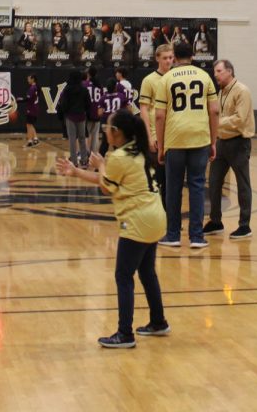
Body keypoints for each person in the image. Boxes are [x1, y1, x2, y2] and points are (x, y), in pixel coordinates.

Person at [55, 109, 168, 348]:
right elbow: (110, 180)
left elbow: (107, 187)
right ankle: (158, 321)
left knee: (123, 275)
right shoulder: (136, 150)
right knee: (147, 272)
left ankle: (125, 334)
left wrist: (102, 164)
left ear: (116, 133)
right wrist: (76, 172)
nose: (105, 130)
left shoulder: (117, 157)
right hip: (156, 216)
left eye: (108, 127)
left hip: (138, 220)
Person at [154, 41, 219, 249]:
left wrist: (162, 145)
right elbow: (215, 111)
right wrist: (213, 141)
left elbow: (159, 115)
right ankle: (197, 237)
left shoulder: (167, 79)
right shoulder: (204, 76)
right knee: (197, 186)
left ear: (174, 58)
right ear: (192, 56)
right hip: (200, 137)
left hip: (175, 138)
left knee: (173, 188)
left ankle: (173, 234)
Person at [203, 59, 254, 240]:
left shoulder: (242, 91)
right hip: (222, 142)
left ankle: (245, 225)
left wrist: (216, 123)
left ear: (230, 71)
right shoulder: (221, 91)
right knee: (214, 182)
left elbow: (239, 119)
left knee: (242, 184)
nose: (215, 75)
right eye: (215, 71)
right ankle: (216, 221)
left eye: (219, 71)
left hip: (239, 143)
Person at [138, 44, 175, 160]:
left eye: (170, 57)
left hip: (175, 135)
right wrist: (149, 137)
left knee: (174, 177)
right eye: (165, 58)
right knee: (158, 176)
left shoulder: (177, 78)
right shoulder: (149, 80)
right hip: (156, 136)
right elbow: (144, 110)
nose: (168, 61)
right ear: (157, 58)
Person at [58, 71, 92, 166]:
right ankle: (84, 161)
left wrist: (65, 113)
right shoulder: (84, 89)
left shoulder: (67, 89)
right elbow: (88, 104)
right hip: (81, 116)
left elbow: (63, 104)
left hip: (70, 117)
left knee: (72, 139)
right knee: (82, 138)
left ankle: (74, 162)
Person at [23, 74, 42, 147]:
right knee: (30, 124)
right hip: (35, 108)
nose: (27, 80)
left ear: (33, 79)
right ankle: (36, 139)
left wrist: (17, 101)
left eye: (29, 79)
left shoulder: (32, 88)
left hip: (31, 109)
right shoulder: (37, 87)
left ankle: (30, 141)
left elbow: (27, 99)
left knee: (28, 125)